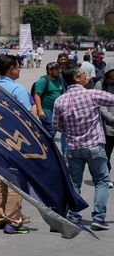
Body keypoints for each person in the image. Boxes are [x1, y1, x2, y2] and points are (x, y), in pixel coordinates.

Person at [54, 64, 114, 230]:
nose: (87, 76)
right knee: (102, 181)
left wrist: (72, 129)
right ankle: (98, 218)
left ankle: (74, 217)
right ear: (76, 79)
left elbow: (57, 126)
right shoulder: (92, 94)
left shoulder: (60, 100)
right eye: (83, 74)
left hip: (74, 148)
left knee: (74, 184)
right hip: (94, 146)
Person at [0, 54, 30, 234]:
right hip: (14, 141)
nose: (19, 69)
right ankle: (13, 220)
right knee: (15, 181)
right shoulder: (18, 90)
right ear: (12, 68)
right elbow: (26, 119)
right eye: (18, 66)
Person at [94, 65, 114, 189]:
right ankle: (107, 177)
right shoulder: (100, 85)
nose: (112, 81)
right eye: (111, 78)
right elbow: (100, 105)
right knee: (106, 154)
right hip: (107, 127)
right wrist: (111, 118)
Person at [33, 62, 65, 136]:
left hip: (57, 111)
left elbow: (63, 93)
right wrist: (40, 110)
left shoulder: (60, 80)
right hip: (46, 111)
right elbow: (37, 95)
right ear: (50, 71)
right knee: (50, 130)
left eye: (59, 69)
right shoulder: (43, 80)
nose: (59, 71)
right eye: (56, 69)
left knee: (53, 130)